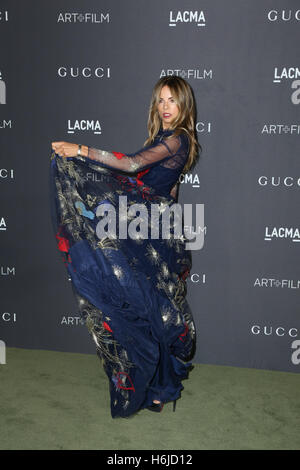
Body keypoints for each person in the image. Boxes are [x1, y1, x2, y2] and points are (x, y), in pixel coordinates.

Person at [49, 76, 200, 418]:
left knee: (153, 306)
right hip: (147, 230)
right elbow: (168, 190)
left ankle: (159, 386)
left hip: (150, 232)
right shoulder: (163, 138)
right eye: (161, 100)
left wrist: (81, 151)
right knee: (148, 307)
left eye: (172, 101)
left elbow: (132, 165)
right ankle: (157, 386)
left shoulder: (178, 139)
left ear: (184, 106)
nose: (165, 107)